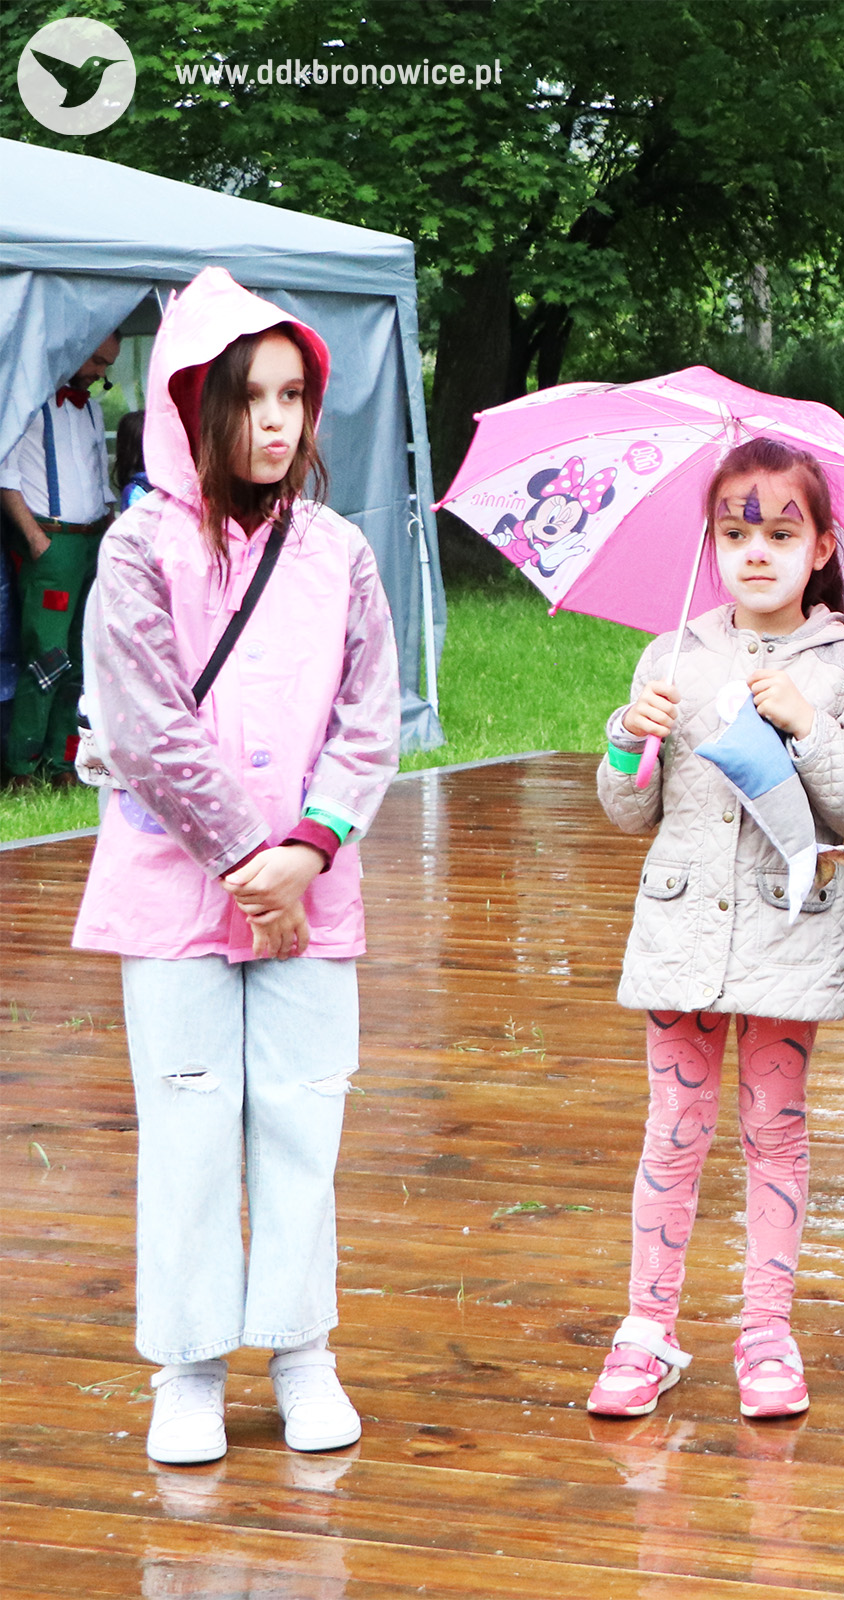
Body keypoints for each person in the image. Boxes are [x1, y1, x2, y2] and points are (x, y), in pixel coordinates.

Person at [70, 268, 399, 1466]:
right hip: (174, 892)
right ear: (193, 404)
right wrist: (246, 858)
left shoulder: (340, 553)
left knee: (305, 1116)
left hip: (314, 894)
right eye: (251, 396)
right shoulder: (136, 548)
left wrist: (306, 850)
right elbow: (144, 719)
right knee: (190, 1121)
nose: (275, 421)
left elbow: (370, 715)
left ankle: (304, 1350)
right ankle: (190, 1364)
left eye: (293, 396)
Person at [587, 437, 844, 1422]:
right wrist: (628, 740)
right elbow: (627, 812)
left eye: (779, 534)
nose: (755, 552)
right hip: (682, 936)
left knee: (775, 1132)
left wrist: (807, 723)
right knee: (672, 1134)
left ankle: (766, 1330)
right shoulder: (673, 654)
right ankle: (647, 1328)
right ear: (711, 545)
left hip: (785, 935)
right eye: (734, 534)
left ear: (821, 548)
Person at [2, 330, 121, 779]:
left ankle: (62, 762)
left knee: (81, 656)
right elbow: (5, 475)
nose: (101, 374)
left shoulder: (91, 408)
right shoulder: (25, 404)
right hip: (52, 546)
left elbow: (99, 478)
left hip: (92, 543)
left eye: (107, 365)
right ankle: (22, 767)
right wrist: (35, 539)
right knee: (47, 657)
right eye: (97, 361)